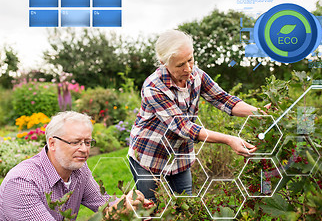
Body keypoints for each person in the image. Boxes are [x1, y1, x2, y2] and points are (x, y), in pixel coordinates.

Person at [128, 30, 267, 202]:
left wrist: (259, 113)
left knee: (187, 206)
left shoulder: (196, 75)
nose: (188, 68)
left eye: (190, 59)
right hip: (149, 154)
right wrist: (229, 139)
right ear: (164, 63)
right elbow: (183, 127)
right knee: (149, 208)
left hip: (180, 154)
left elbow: (224, 100)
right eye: (180, 65)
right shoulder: (153, 87)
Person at [0, 111, 152, 221]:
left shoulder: (79, 169)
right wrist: (113, 213)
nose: (85, 149)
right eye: (75, 142)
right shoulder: (22, 183)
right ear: (52, 143)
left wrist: (128, 204)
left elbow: (100, 202)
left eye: (87, 142)